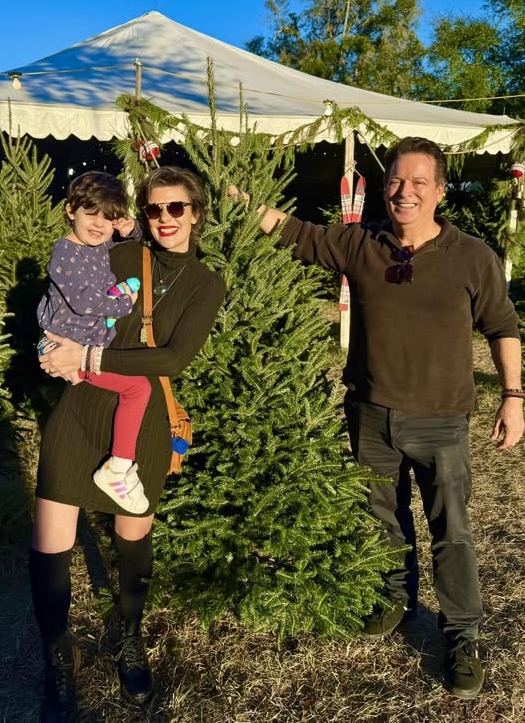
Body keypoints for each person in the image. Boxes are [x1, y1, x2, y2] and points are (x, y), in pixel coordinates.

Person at [229, 136, 524, 700]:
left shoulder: (472, 257)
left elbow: (502, 327)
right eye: (394, 180)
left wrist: (513, 396)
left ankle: (462, 635)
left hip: (442, 421)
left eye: (418, 182)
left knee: (452, 530)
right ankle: (394, 596)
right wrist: (240, 200)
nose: (403, 191)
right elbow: (297, 234)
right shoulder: (360, 245)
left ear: (440, 191)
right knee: (381, 518)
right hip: (370, 415)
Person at [33, 166, 226, 721]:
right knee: (50, 541)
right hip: (80, 407)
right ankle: (56, 656)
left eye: (176, 208)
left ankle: (129, 638)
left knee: (131, 535)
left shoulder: (205, 284)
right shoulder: (118, 254)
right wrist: (51, 345)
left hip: (137, 418)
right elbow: (61, 291)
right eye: (153, 209)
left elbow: (172, 358)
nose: (164, 219)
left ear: (195, 212)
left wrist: (87, 356)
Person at [37, 171, 151, 515]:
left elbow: (132, 240)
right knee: (138, 389)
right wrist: (122, 304)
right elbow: (83, 302)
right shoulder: (65, 253)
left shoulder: (97, 244)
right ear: (71, 210)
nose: (100, 225)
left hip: (85, 342)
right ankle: (117, 470)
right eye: (92, 214)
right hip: (71, 348)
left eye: (108, 217)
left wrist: (130, 229)